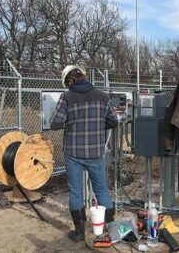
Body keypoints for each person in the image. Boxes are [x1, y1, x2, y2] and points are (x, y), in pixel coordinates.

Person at [50, 65, 118, 242]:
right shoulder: (103, 96)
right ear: (83, 75)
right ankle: (111, 229)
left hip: (73, 152)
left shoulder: (67, 97)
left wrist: (72, 123)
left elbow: (55, 123)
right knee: (102, 189)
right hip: (96, 151)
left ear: (70, 80)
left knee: (75, 191)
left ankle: (79, 232)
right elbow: (113, 121)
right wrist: (96, 128)